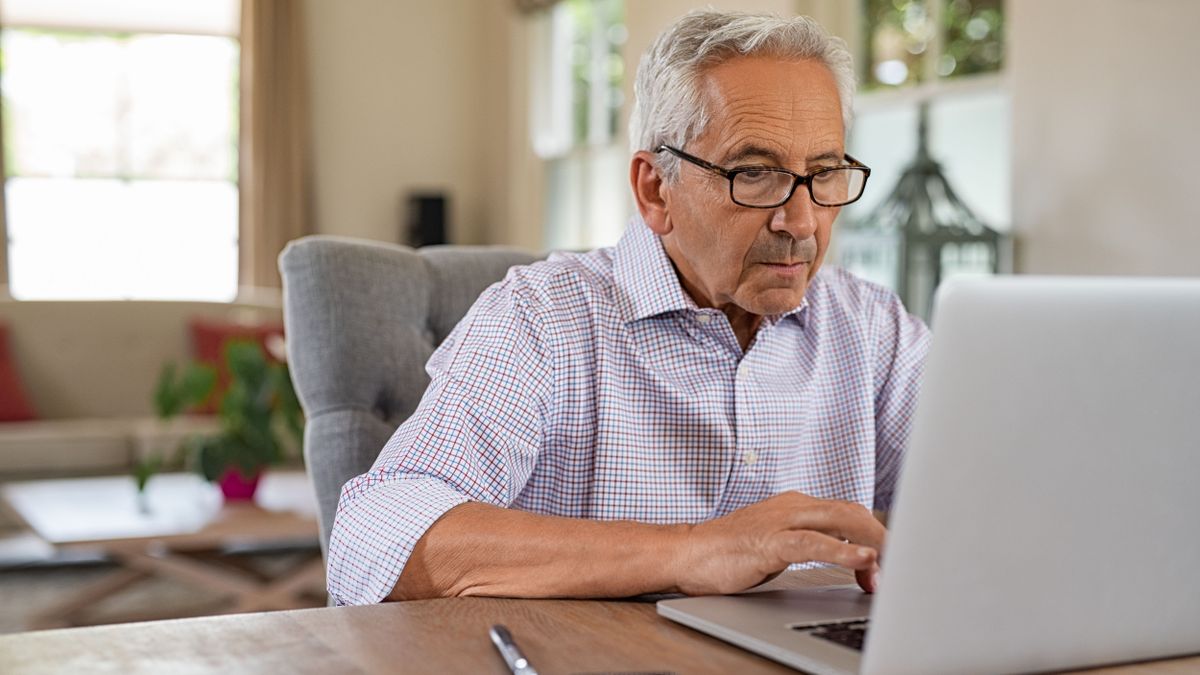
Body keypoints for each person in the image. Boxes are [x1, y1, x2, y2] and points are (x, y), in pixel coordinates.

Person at [326, 10, 930, 606]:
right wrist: (693, 550)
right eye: (754, 173)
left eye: (824, 173)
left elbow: (1000, 499)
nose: (801, 222)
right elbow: (373, 539)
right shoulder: (542, 317)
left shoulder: (874, 329)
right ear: (654, 189)